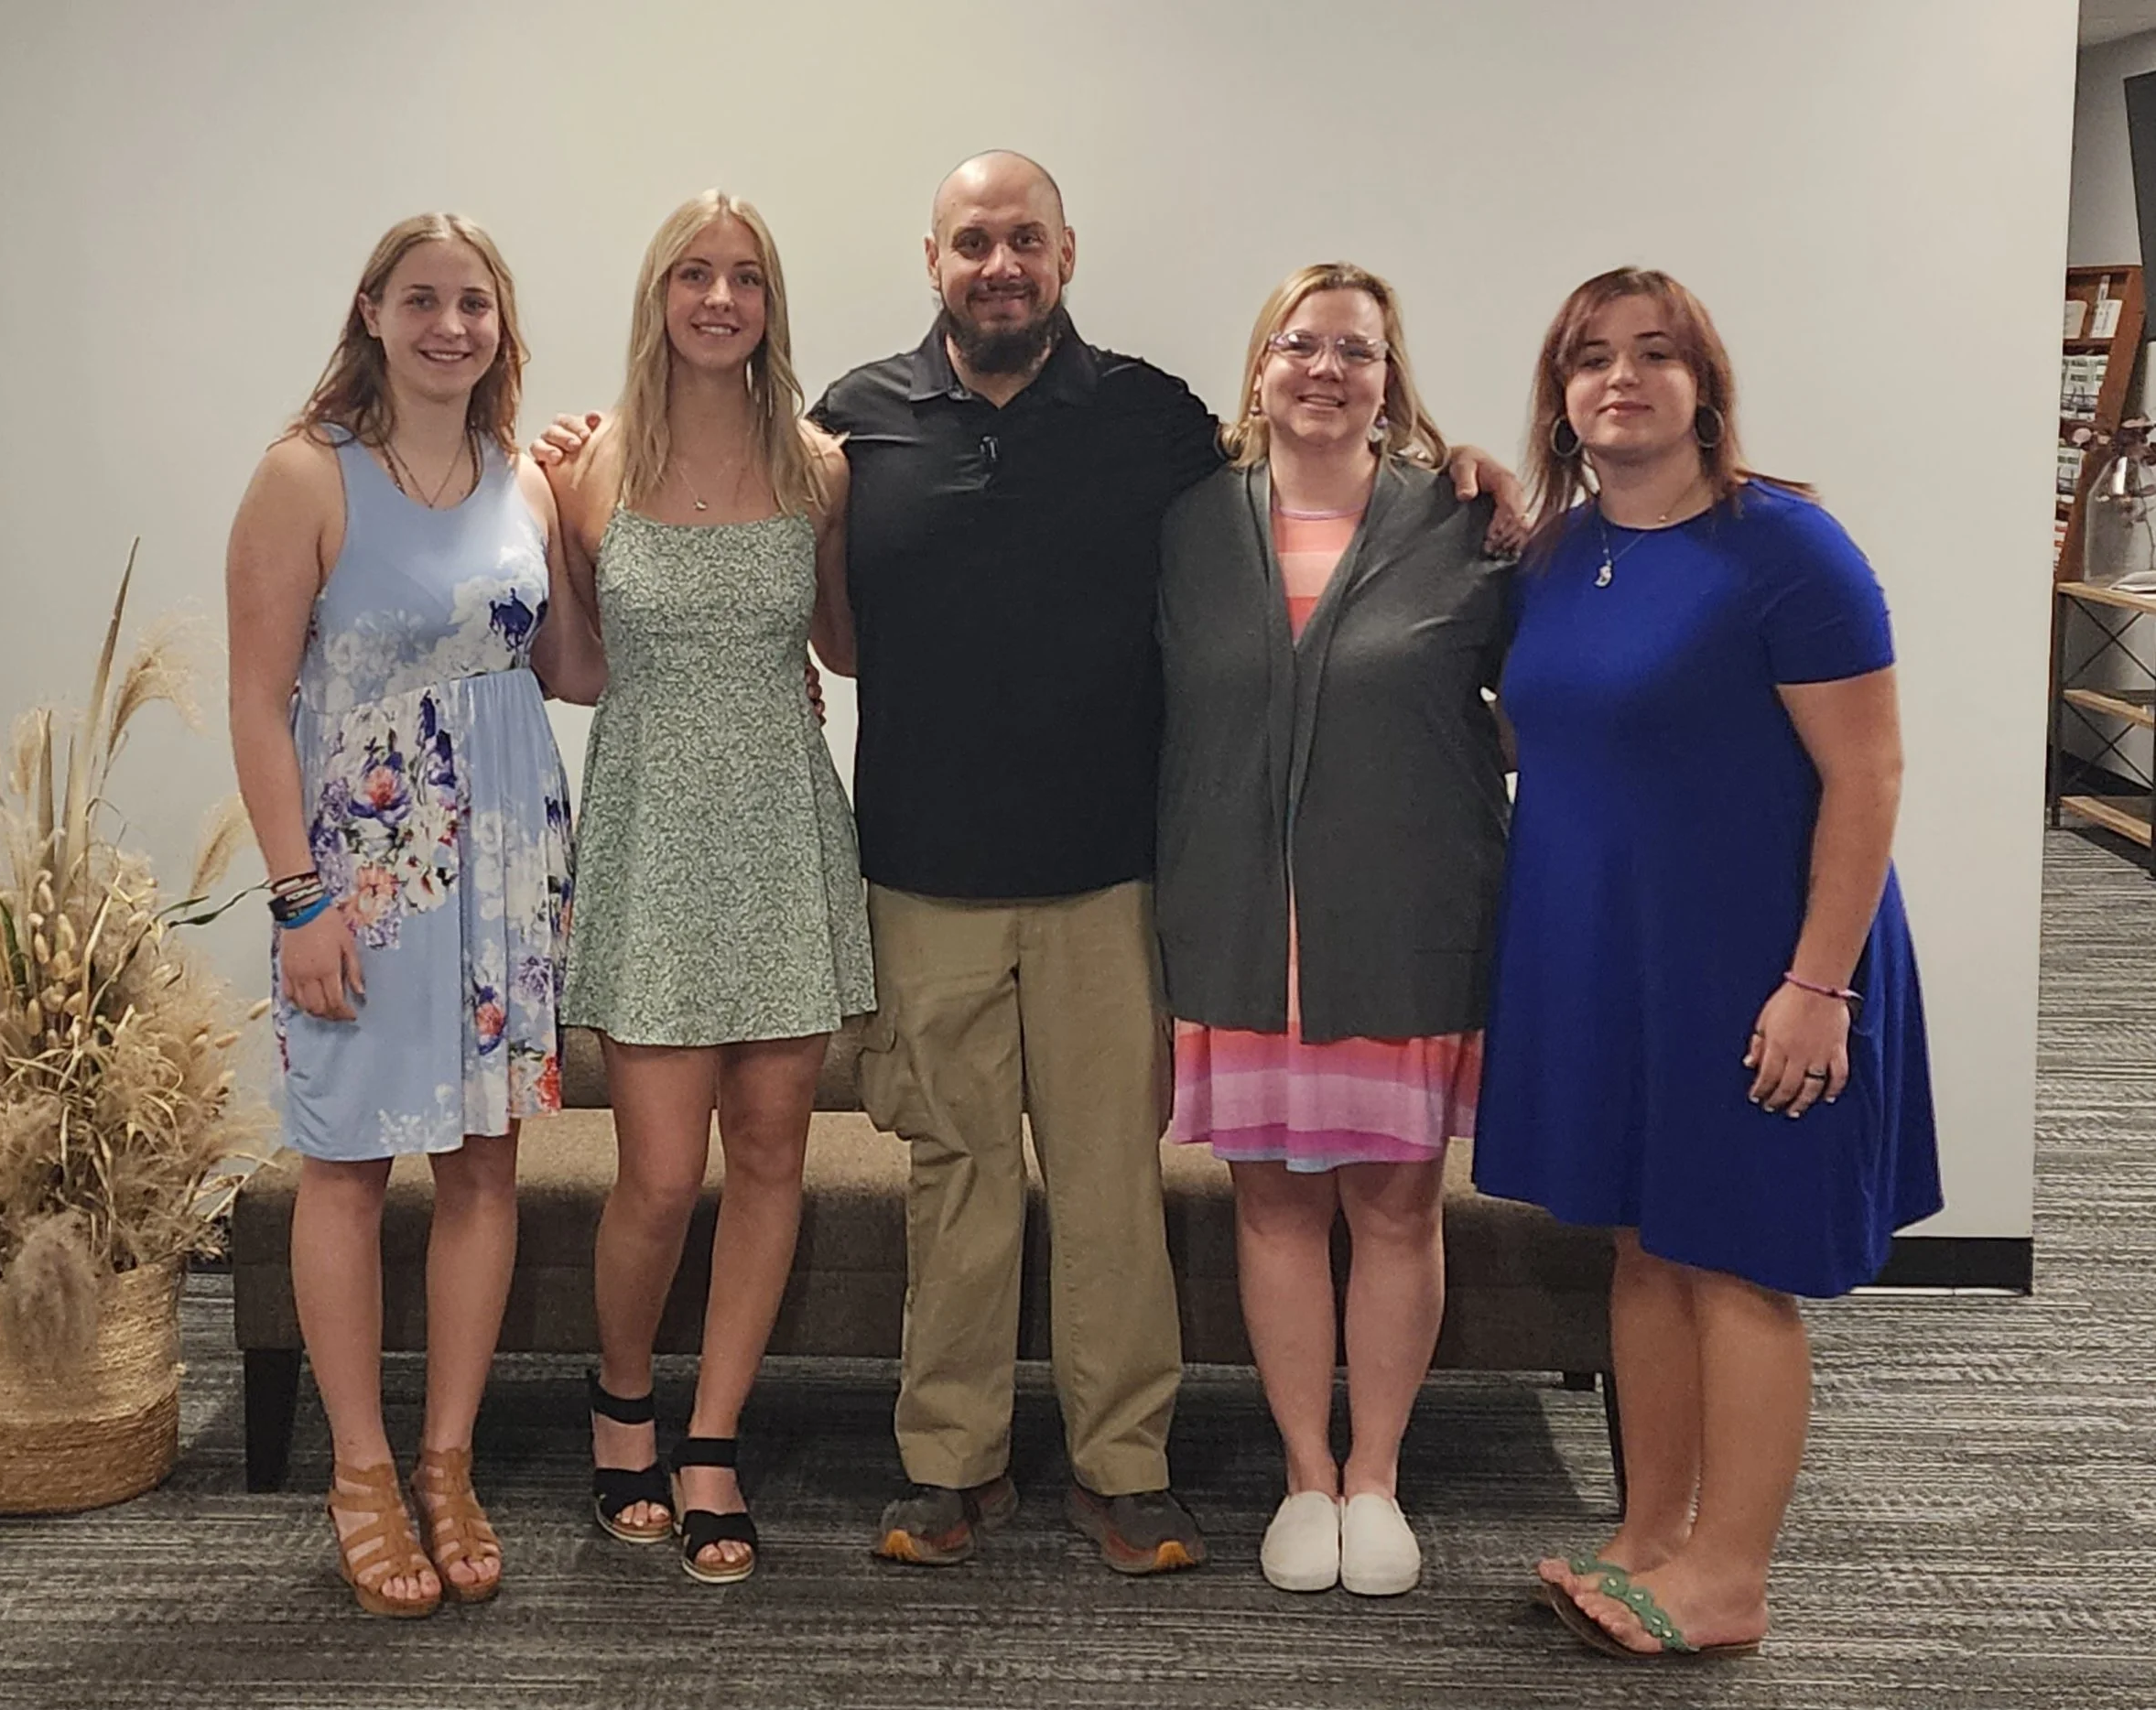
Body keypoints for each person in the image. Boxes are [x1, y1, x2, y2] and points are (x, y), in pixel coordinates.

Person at [538, 151, 1522, 1577]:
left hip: (1111, 875)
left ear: (1066, 255)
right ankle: (951, 1467)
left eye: (1026, 241)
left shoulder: (1154, 418)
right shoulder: (851, 429)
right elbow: (765, 569)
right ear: (931, 259)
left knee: (1114, 1181)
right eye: (973, 242)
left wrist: (1457, 467)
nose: (1000, 265)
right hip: (921, 868)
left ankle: (1124, 1469)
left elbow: (1311, 481)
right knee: (958, 1179)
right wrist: (574, 447)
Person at [1473, 266, 1942, 1659]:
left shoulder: (1786, 547)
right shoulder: (1554, 556)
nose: (1623, 376)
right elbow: (1545, 732)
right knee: (1642, 1246)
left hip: (1759, 964)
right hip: (1607, 961)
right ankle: (1647, 1534)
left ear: (1704, 385)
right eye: (1593, 357)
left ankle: (1727, 1578)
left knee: (1736, 1261)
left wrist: (1819, 986)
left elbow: (1868, 776)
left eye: (1656, 353)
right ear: (1562, 398)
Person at [226, 212, 599, 1618]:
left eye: (477, 305)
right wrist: (299, 898)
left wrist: (588, 505)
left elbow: (567, 668)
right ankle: (363, 1471)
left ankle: (450, 1461)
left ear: (502, 327)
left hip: (507, 864)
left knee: (487, 1167)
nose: (452, 326)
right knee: (349, 1165)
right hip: (366, 877)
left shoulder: (522, 479)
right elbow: (259, 705)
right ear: (372, 311)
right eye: (425, 301)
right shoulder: (301, 477)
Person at [1155, 263, 1511, 1596]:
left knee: (1398, 1205)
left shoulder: (1464, 524)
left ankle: (1381, 1474)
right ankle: (1307, 1472)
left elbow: (1539, 700)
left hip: (1402, 920)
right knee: (1273, 1205)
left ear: (1389, 377)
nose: (1322, 368)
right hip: (1240, 917)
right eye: (1297, 345)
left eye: (1353, 351)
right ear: (1259, 372)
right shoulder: (1190, 525)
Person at [540, 190, 871, 1586]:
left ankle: (714, 1440)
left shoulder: (822, 469)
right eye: (695, 274)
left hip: (786, 833)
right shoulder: (582, 466)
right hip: (653, 833)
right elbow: (575, 665)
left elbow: (844, 646)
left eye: (744, 277)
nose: (720, 298)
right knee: (662, 1177)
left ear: (770, 302)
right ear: (659, 295)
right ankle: (623, 1406)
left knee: (776, 1157)